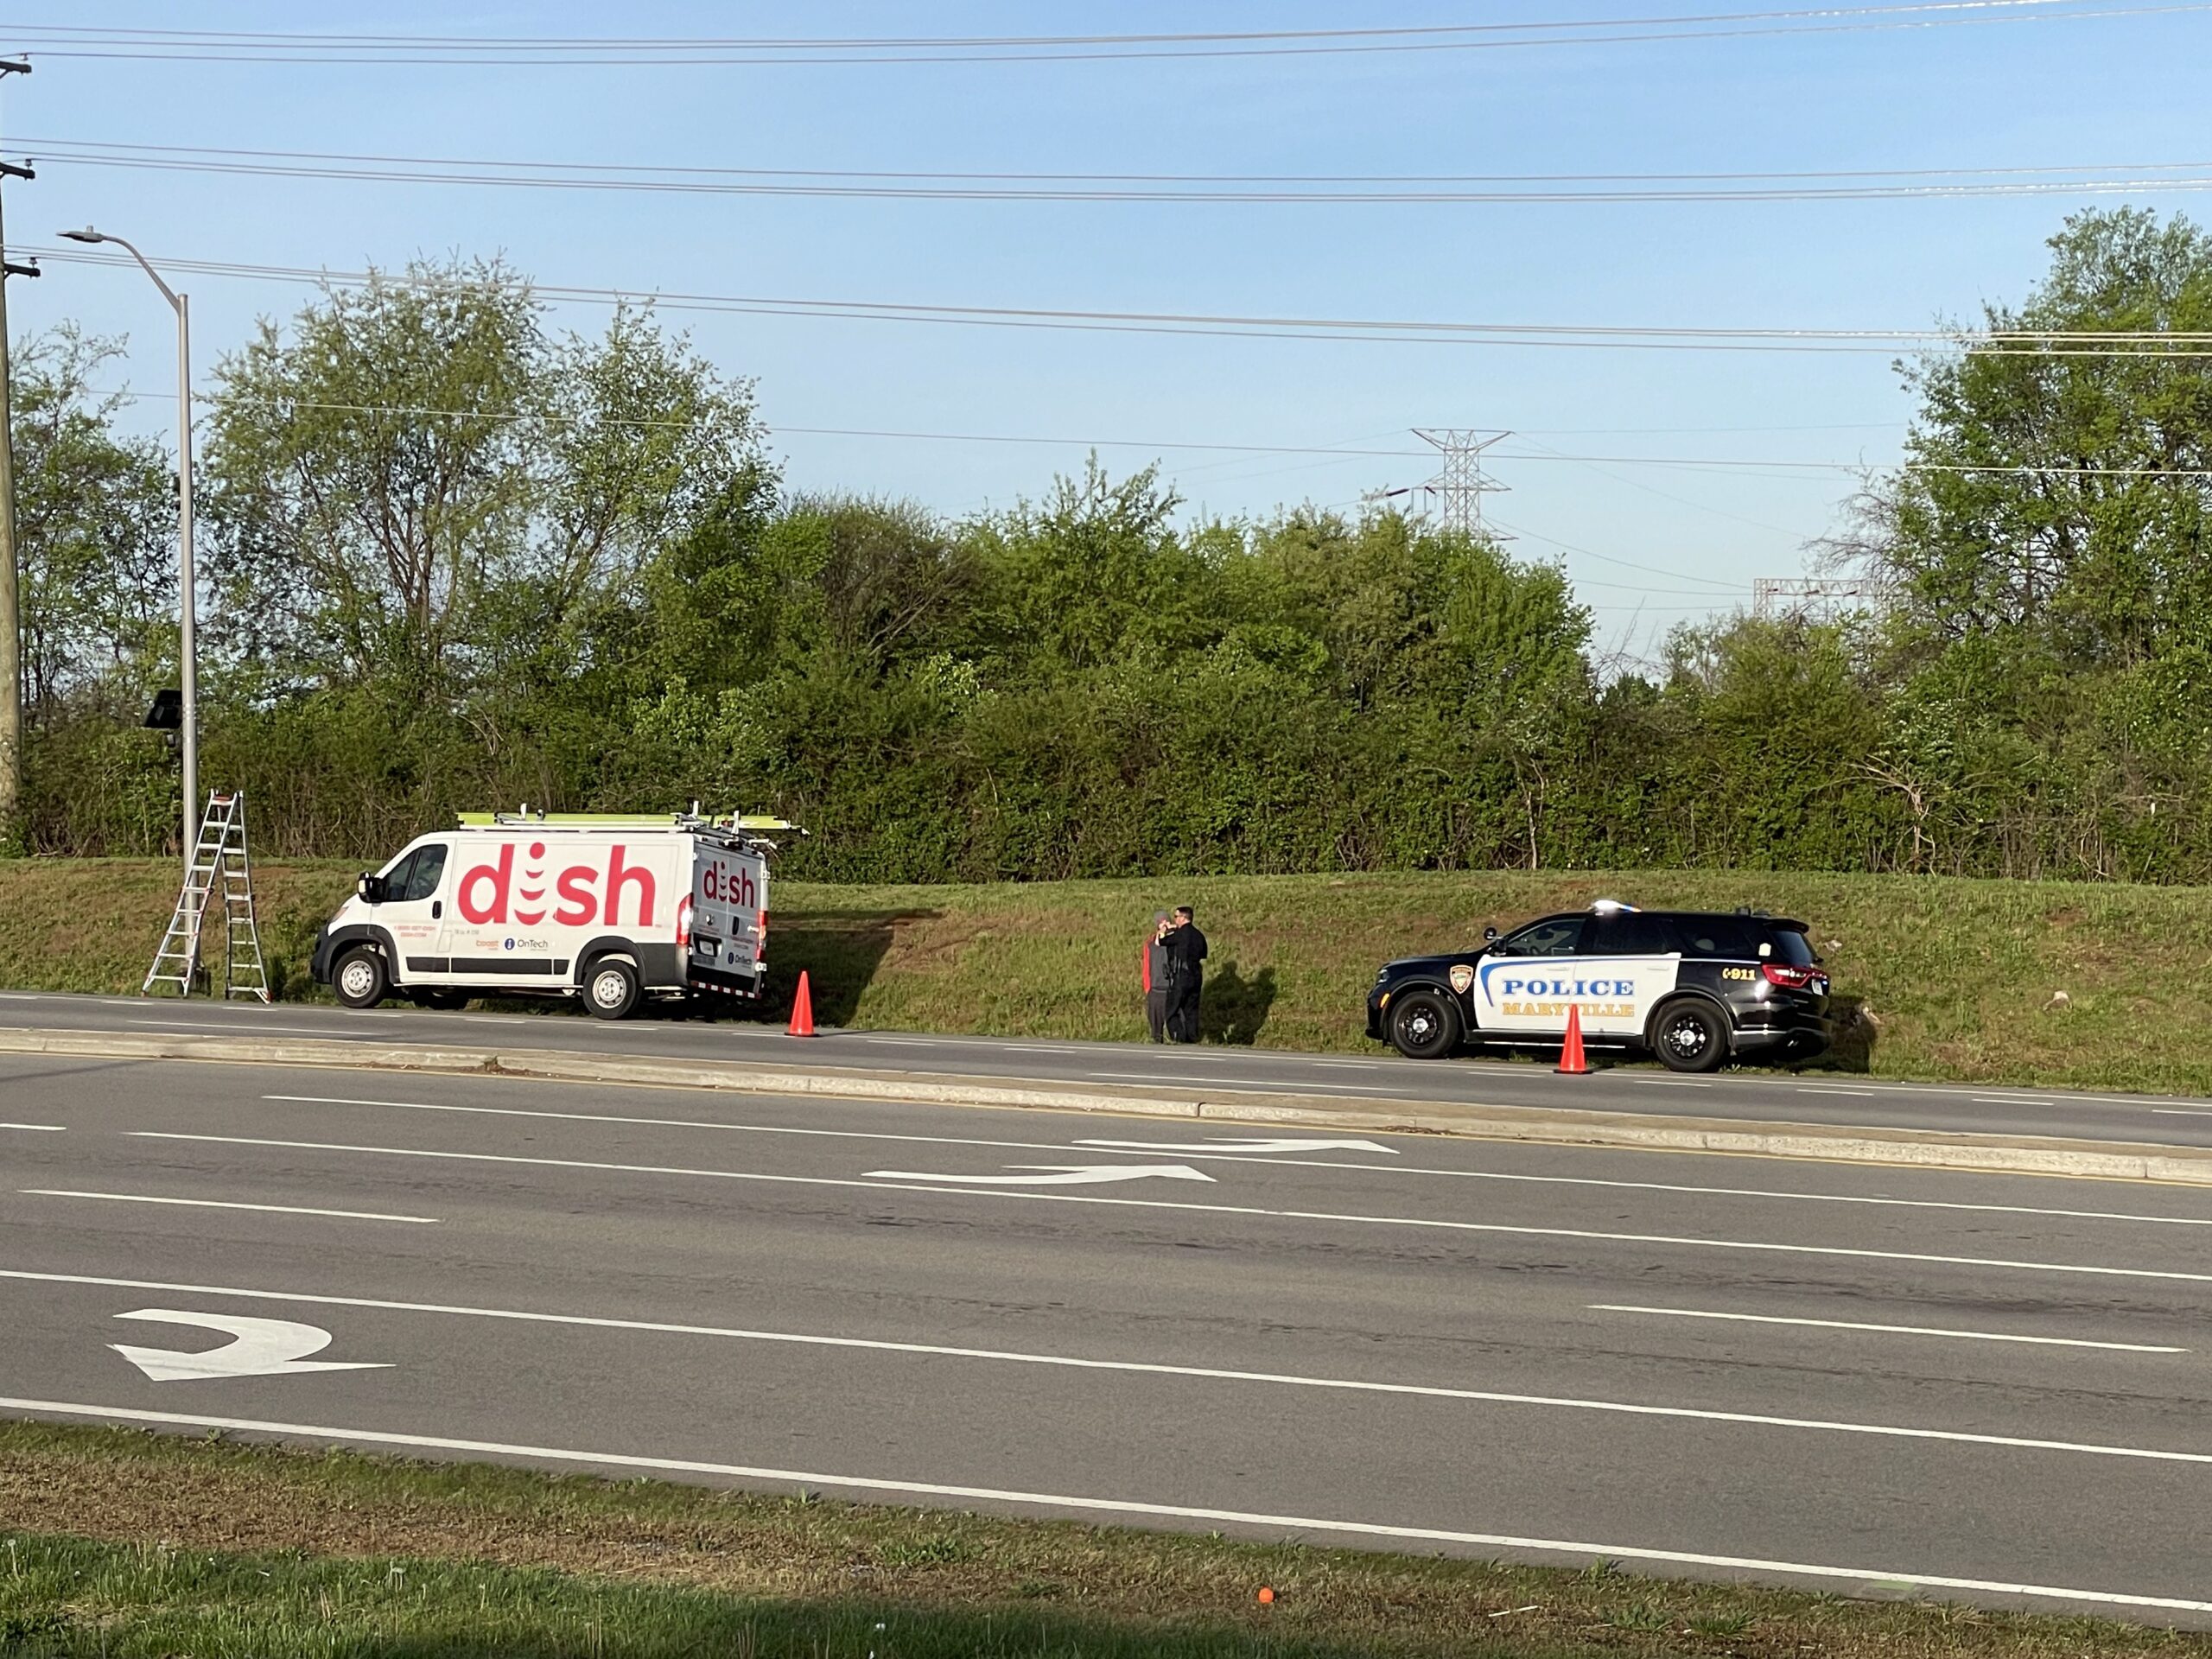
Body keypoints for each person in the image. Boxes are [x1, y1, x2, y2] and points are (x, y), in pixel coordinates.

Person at [1163, 904, 1208, 1043]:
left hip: (1181, 976)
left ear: (1183, 918)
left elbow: (1161, 941)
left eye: (1176, 917)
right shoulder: (1199, 935)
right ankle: (1192, 1037)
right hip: (1196, 976)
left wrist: (1164, 930)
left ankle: (1178, 1037)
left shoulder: (1180, 935)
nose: (1175, 920)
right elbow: (1203, 954)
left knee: (1172, 1009)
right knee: (1191, 1010)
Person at [1141, 911, 1173, 1043]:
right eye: (1161, 922)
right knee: (1155, 1022)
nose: (1164, 924)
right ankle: (1157, 1042)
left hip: (1171, 988)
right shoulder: (1150, 943)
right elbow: (1146, 966)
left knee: (1175, 1021)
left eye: (1166, 921)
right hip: (1155, 988)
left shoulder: (1175, 940)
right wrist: (1147, 987)